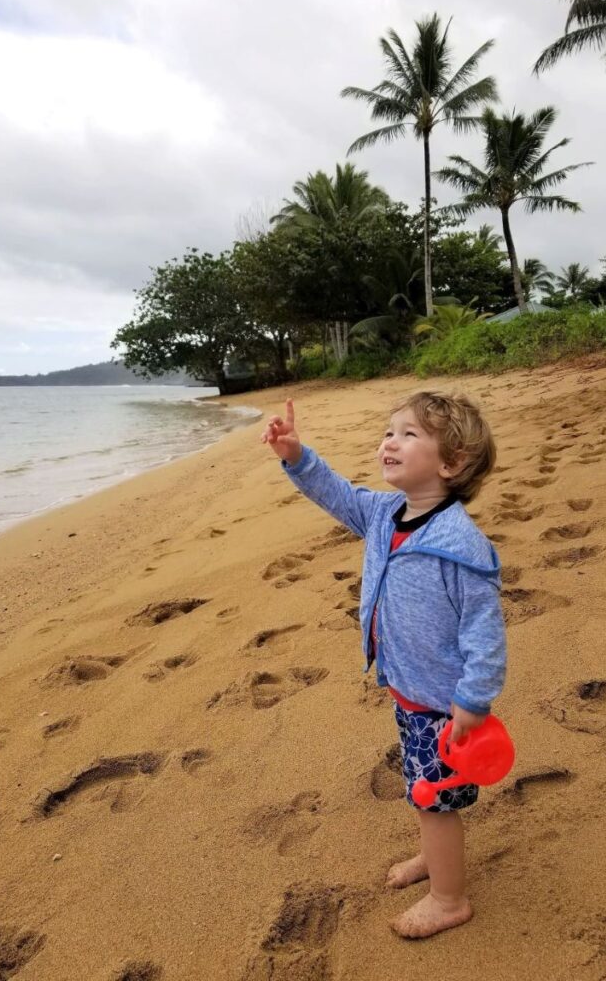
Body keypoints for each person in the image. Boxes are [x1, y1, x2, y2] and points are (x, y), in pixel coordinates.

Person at [260, 391, 506, 939]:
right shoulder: (383, 514)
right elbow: (336, 493)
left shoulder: (460, 546)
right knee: (424, 789)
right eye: (389, 431)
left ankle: (448, 897)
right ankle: (433, 856)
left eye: (409, 434)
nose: (389, 441)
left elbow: (485, 634)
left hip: (443, 702)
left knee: (434, 798)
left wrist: (473, 700)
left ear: (452, 462)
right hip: (408, 688)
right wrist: (296, 456)